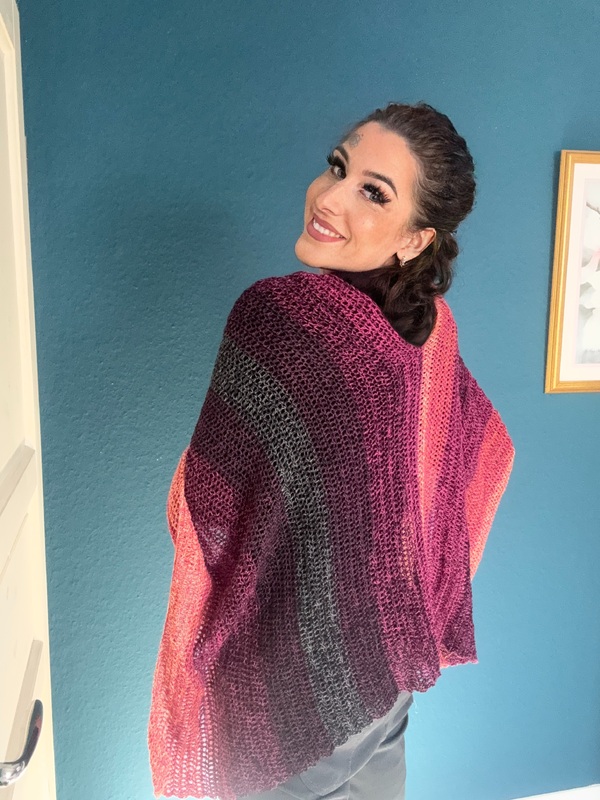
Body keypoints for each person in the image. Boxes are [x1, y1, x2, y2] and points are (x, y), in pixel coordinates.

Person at [147, 102, 515, 800]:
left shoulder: (280, 316)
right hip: (386, 682)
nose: (329, 197)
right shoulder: (432, 326)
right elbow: (481, 456)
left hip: (285, 698)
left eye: (373, 192)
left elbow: (206, 513)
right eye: (338, 168)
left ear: (416, 238)